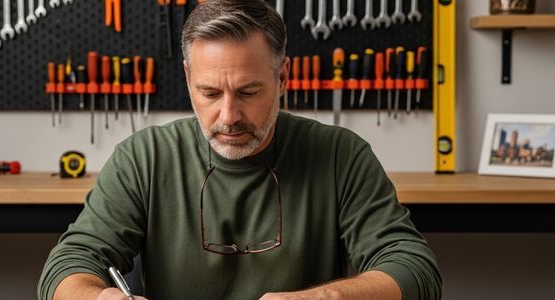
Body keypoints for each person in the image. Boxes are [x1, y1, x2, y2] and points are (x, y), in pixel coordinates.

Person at [38, 0, 441, 299]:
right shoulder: (143, 158)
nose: (228, 115)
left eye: (248, 91)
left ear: (283, 77)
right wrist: (98, 296)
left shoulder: (340, 155)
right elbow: (68, 266)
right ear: (187, 77)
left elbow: (414, 268)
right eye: (209, 92)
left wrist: (326, 297)